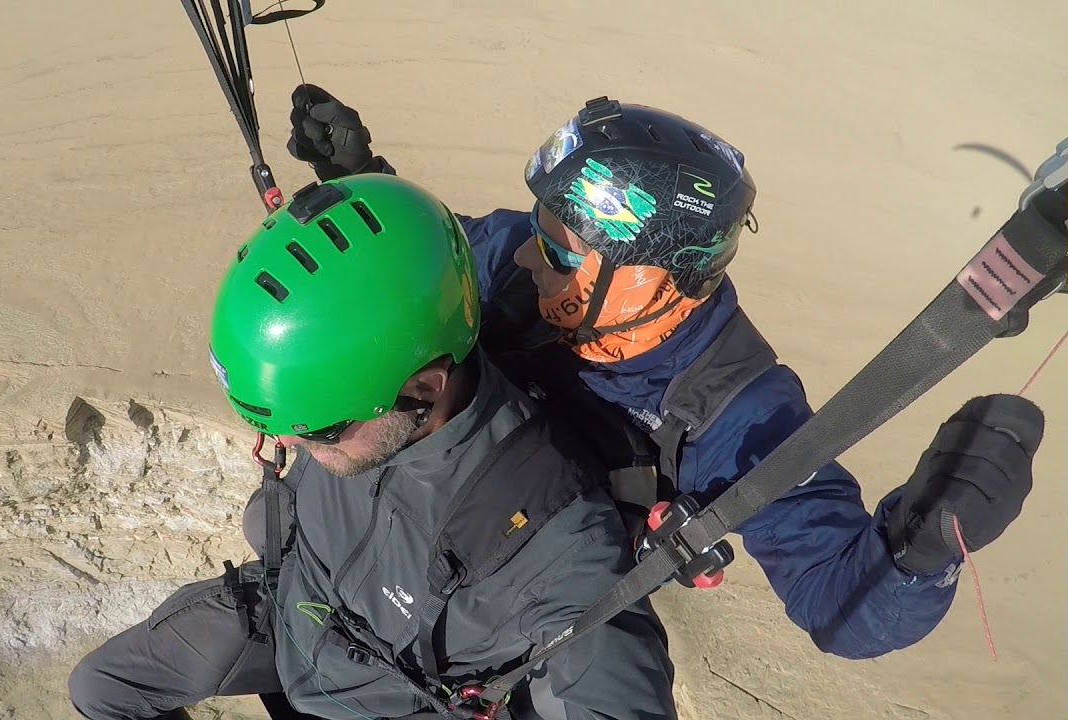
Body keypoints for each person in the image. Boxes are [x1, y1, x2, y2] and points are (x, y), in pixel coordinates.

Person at [283, 85, 1045, 660]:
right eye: (536, 232)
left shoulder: (738, 412)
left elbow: (839, 605)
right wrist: (363, 184)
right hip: (383, 523)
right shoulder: (530, 266)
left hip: (509, 613)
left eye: (557, 250)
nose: (522, 255)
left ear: (649, 278)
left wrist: (922, 550)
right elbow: (429, 277)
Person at [68, 172, 682, 720]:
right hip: (290, 611)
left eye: (322, 430)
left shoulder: (555, 545)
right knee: (101, 690)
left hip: (395, 693)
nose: (286, 445)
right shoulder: (378, 408)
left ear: (423, 387)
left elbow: (614, 674)